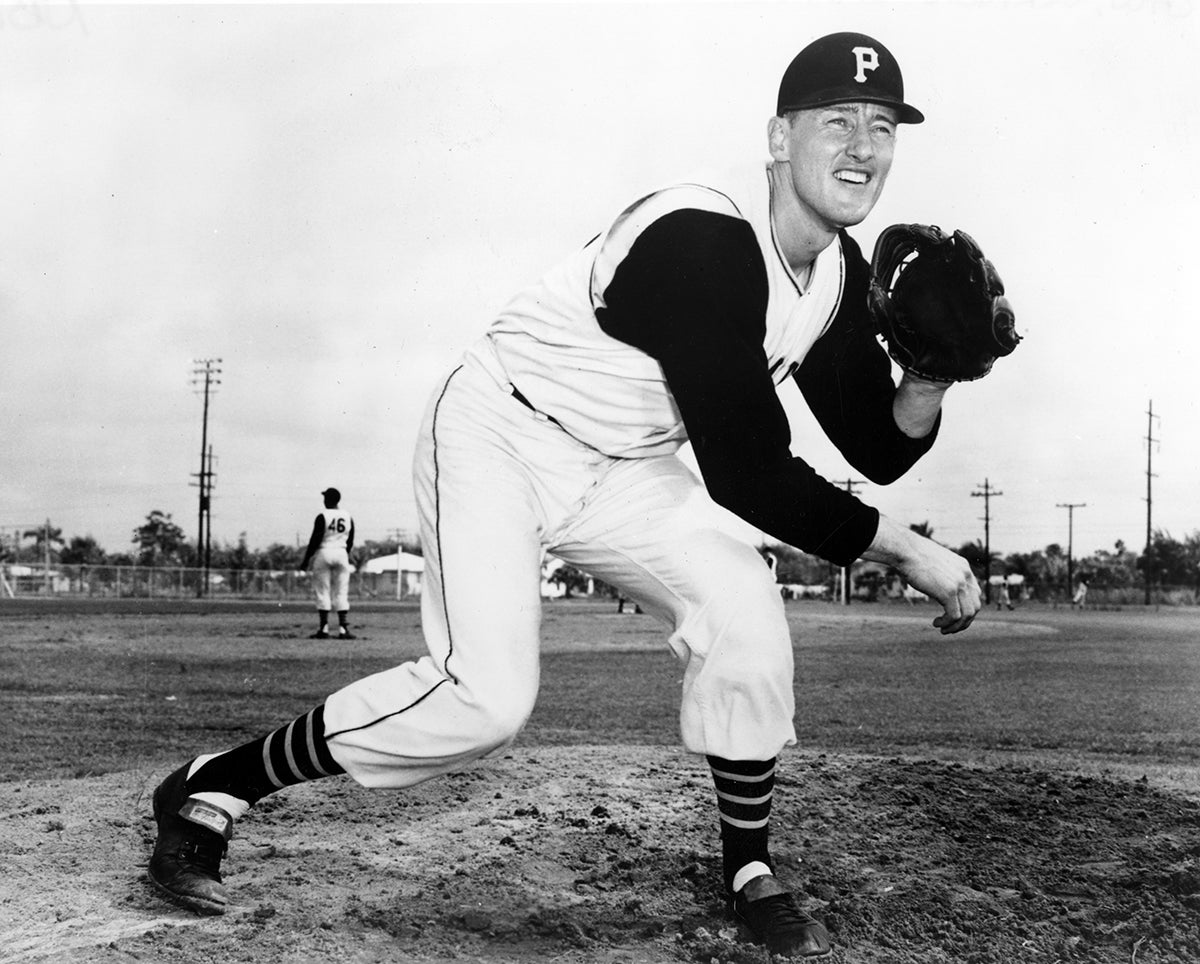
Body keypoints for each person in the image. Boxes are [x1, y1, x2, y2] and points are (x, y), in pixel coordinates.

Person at [147, 32, 983, 959]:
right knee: (485, 702)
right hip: (502, 428)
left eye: (882, 125)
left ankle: (749, 867)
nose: (863, 145)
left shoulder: (836, 275)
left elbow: (878, 443)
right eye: (837, 120)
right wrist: (908, 550)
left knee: (743, 606)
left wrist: (934, 377)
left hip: (620, 469)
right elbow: (749, 470)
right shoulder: (706, 236)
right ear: (780, 138)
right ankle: (212, 783)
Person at [298, 487, 355, 640]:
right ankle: (343, 630)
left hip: (324, 552)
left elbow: (315, 539)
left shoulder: (323, 515)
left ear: (328, 500)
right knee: (341, 591)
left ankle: (324, 629)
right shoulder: (348, 516)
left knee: (323, 591)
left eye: (325, 498)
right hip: (341, 553)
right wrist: (345, 554)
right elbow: (350, 540)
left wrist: (306, 559)